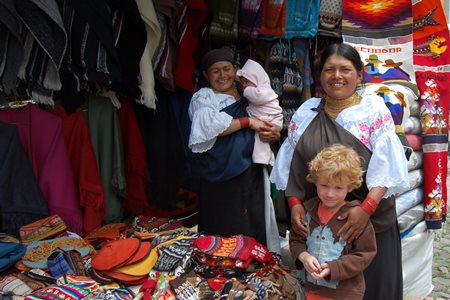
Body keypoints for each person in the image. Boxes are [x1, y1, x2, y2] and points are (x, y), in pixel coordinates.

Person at [270, 42, 409, 300]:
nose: (337, 76)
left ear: (359, 75)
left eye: (345, 69)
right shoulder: (306, 112)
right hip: (322, 223)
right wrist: (294, 203)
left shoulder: (373, 110)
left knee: (371, 289)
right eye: (329, 69)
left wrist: (365, 210)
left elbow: (388, 167)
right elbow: (292, 165)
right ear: (319, 75)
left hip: (367, 223)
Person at [188, 48, 281, 251]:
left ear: (235, 70)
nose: (223, 75)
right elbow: (209, 126)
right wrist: (249, 122)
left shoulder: (249, 94)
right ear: (206, 75)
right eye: (215, 71)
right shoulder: (204, 98)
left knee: (250, 222)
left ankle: (252, 268)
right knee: (221, 226)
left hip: (250, 173)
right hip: (218, 175)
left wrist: (273, 133)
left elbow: (269, 120)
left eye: (227, 69)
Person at [289, 144, 377, 300]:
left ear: (350, 187)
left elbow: (365, 254)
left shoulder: (355, 219)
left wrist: (333, 268)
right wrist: (304, 256)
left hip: (346, 293)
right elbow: (296, 239)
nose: (330, 193)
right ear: (315, 182)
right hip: (311, 290)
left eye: (338, 188)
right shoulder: (308, 211)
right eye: (324, 186)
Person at [236, 59, 283, 165]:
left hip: (271, 118)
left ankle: (262, 159)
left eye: (247, 82)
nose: (244, 86)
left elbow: (256, 97)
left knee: (260, 138)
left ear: (257, 79)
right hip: (267, 118)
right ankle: (268, 158)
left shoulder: (264, 90)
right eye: (242, 83)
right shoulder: (259, 90)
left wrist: (246, 91)